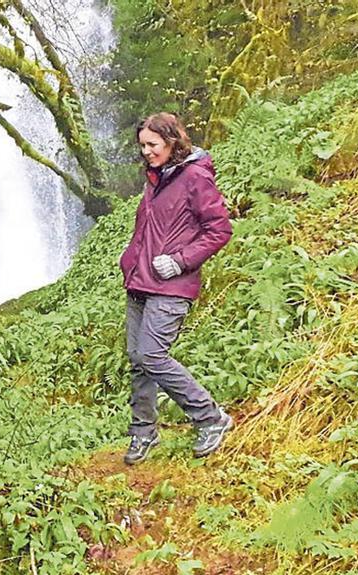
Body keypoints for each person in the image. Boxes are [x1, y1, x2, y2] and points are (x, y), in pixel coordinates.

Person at [119, 112, 233, 465]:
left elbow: (219, 230)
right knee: (138, 360)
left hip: (171, 284)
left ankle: (211, 418)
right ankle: (143, 431)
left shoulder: (195, 177)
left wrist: (181, 261)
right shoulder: (156, 178)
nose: (147, 152)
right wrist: (130, 258)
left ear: (172, 141)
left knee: (152, 355)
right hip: (140, 280)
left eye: (152, 144)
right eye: (142, 146)